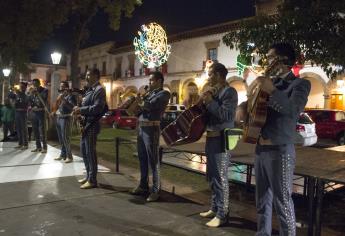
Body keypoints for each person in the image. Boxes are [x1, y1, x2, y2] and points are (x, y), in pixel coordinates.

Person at [238, 43, 311, 236]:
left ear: (283, 61)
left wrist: (272, 91)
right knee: (261, 199)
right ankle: (263, 233)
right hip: (260, 149)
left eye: (270, 58)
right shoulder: (270, 83)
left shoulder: (300, 84)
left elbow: (293, 111)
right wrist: (245, 105)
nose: (267, 62)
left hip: (280, 151)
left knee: (283, 201)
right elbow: (256, 110)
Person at [198, 62, 238, 227]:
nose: (209, 77)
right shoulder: (214, 91)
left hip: (222, 138)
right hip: (211, 137)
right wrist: (203, 102)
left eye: (211, 74)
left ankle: (223, 214)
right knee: (212, 176)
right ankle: (214, 208)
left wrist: (210, 102)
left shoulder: (230, 92)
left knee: (221, 177)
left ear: (220, 75)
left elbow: (226, 115)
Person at [130, 71, 170, 202]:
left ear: (159, 81)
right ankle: (143, 185)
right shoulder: (149, 94)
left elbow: (152, 106)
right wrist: (134, 105)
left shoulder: (164, 94)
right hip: (141, 128)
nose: (149, 82)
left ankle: (156, 189)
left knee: (153, 160)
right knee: (142, 158)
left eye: (152, 80)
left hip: (152, 128)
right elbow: (139, 111)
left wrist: (141, 101)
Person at [73, 68, 106, 189]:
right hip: (85, 125)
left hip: (92, 125)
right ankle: (88, 175)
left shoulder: (99, 90)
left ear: (96, 76)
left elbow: (97, 108)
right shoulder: (90, 90)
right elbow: (85, 105)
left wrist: (80, 110)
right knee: (84, 152)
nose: (86, 77)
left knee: (90, 153)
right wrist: (79, 111)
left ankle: (92, 180)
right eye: (86, 75)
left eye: (89, 75)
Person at [52, 81, 77, 163]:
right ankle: (63, 155)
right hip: (59, 117)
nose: (61, 88)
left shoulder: (71, 96)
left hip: (66, 118)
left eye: (63, 86)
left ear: (66, 87)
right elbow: (57, 105)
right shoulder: (61, 96)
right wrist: (54, 111)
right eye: (60, 86)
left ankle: (70, 156)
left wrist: (64, 99)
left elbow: (72, 107)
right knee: (61, 138)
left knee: (66, 138)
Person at [29, 78, 48, 153]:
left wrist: (37, 93)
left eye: (35, 84)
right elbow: (30, 100)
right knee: (35, 130)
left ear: (39, 84)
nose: (34, 85)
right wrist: (32, 106)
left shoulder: (44, 90)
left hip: (41, 112)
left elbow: (44, 99)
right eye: (33, 84)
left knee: (42, 130)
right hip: (34, 112)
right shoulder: (32, 91)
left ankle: (45, 147)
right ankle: (38, 147)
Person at [9, 82, 29, 149]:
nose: (21, 88)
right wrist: (11, 90)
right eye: (20, 86)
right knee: (18, 129)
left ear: (25, 87)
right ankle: (20, 143)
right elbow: (11, 97)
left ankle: (25, 144)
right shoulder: (17, 95)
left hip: (23, 113)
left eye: (22, 87)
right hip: (17, 112)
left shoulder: (26, 95)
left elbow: (26, 104)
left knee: (24, 129)